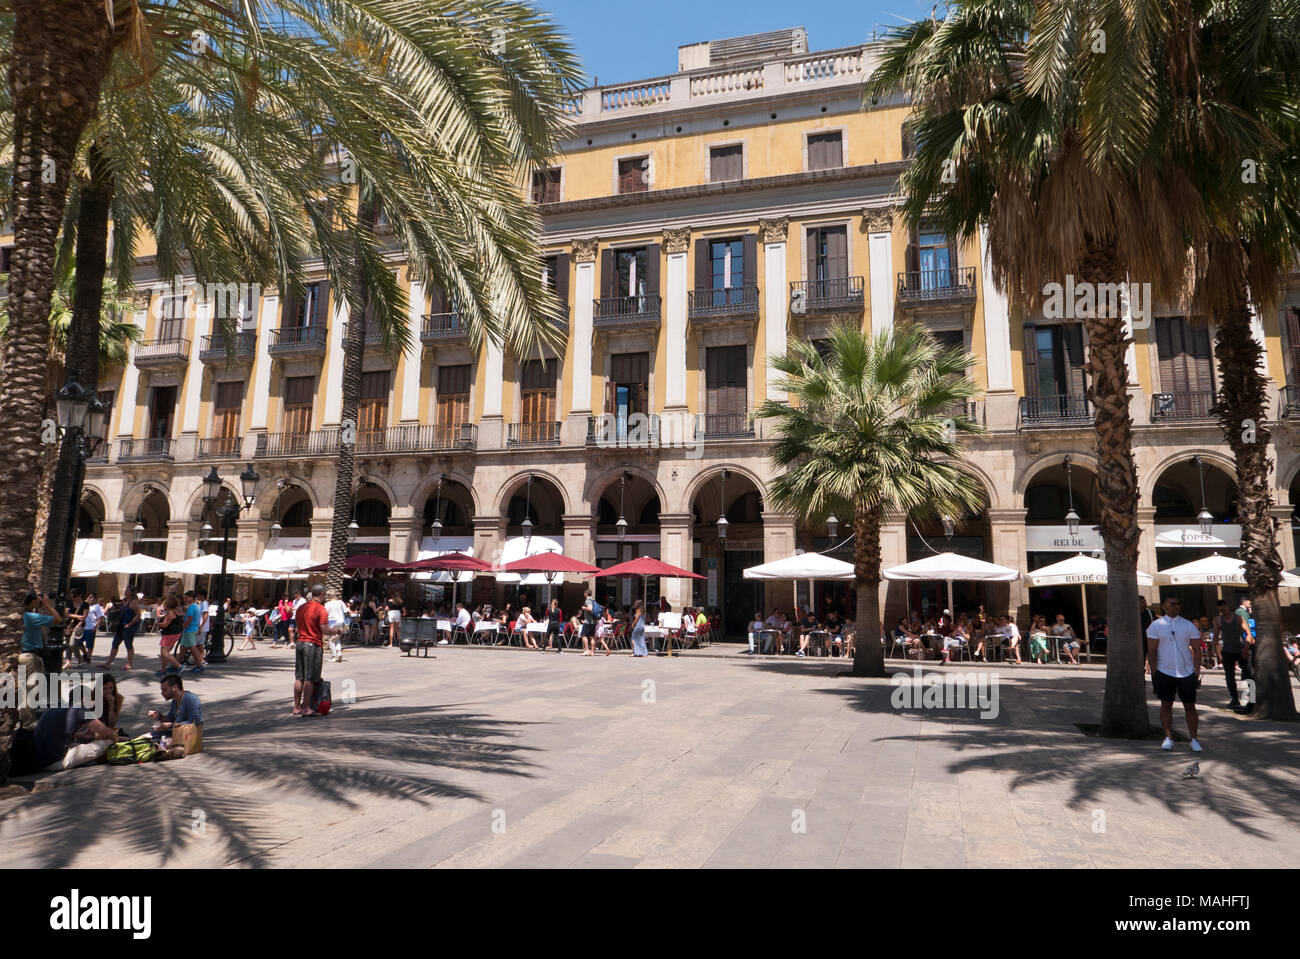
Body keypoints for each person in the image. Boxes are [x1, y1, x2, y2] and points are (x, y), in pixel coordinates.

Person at [1146, 596, 1202, 752]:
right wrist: (1154, 670)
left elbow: (1198, 651)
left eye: (1178, 604)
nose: (1175, 606)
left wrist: (1196, 671)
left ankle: (1194, 738)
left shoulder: (1188, 625)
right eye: (1172, 604)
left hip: (1186, 672)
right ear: (1164, 606)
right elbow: (1151, 650)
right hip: (1164, 671)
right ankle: (1168, 737)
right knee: (1166, 705)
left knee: (1190, 706)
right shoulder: (1156, 626)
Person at [294, 583, 339, 717]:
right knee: (310, 678)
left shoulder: (301, 608)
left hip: (300, 642)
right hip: (312, 644)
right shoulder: (321, 609)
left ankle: (296, 707)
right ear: (322, 594)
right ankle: (306, 707)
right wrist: (337, 630)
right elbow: (325, 629)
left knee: (299, 677)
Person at [149, 674, 203, 760]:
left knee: (163, 745)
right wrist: (159, 716)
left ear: (175, 687)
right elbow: (170, 719)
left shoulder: (191, 699)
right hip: (175, 733)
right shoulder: (175, 701)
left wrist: (170, 725)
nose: (162, 693)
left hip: (188, 735)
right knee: (149, 737)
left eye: (165, 690)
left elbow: (195, 722)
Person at [1215, 597, 1251, 709]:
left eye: (1224, 607)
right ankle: (1234, 699)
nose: (1223, 610)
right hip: (1227, 650)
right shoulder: (1218, 620)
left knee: (1248, 674)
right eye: (1220, 608)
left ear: (1227, 606)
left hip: (1240, 648)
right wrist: (1217, 653)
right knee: (1229, 676)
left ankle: (1251, 699)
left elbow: (1248, 633)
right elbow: (1216, 637)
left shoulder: (1238, 617)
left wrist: (1246, 647)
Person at [101, 591, 141, 671]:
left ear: (131, 592)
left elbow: (138, 615)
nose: (125, 592)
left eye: (127, 590)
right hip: (121, 626)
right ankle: (108, 663)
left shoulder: (133, 603)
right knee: (115, 644)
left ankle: (129, 664)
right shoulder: (126, 601)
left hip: (128, 627)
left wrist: (130, 624)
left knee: (128, 645)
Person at [155, 595, 185, 677]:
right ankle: (163, 669)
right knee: (166, 652)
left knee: (164, 653)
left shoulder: (170, 613)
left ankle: (179, 666)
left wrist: (158, 624)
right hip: (176, 633)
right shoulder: (177, 611)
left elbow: (165, 624)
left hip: (169, 634)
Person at [178, 590, 206, 673]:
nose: (185, 599)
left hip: (189, 629)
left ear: (191, 598)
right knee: (183, 648)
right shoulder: (196, 606)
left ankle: (199, 665)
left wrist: (183, 627)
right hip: (192, 629)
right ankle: (176, 664)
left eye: (186, 597)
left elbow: (189, 619)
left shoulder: (192, 607)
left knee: (193, 648)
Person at [324, 590, 348, 663]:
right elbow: (346, 611)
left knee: (331, 639)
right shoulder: (340, 602)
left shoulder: (327, 604)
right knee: (337, 638)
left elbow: (325, 613)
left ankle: (333, 656)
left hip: (332, 621)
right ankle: (339, 652)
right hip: (340, 621)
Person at [579, 589, 598, 656]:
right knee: (592, 637)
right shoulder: (593, 600)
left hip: (588, 621)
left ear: (586, 593)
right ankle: (592, 651)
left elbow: (590, 608)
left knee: (583, 635)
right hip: (594, 621)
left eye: (584, 593)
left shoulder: (588, 600)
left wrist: (584, 608)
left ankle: (587, 650)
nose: (584, 594)